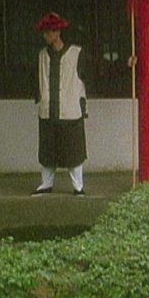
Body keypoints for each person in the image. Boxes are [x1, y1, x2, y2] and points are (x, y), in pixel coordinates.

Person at [31, 12, 90, 197]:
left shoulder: (77, 53)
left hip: (70, 110)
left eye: (48, 32)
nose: (45, 36)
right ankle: (46, 184)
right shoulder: (41, 55)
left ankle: (78, 186)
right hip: (48, 110)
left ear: (57, 33)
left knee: (73, 151)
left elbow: (95, 73)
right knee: (47, 152)